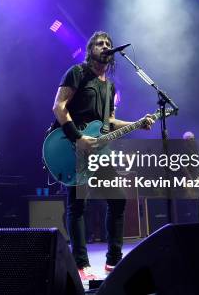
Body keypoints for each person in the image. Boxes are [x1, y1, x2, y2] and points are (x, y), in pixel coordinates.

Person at [51, 31, 155, 281]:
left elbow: (108, 121)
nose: (106, 46)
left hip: (99, 149)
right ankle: (80, 264)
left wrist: (137, 123)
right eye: (100, 43)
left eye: (108, 44)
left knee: (118, 199)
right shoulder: (77, 72)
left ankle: (114, 261)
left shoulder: (110, 86)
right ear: (91, 50)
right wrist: (78, 137)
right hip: (74, 144)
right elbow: (58, 106)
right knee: (78, 205)